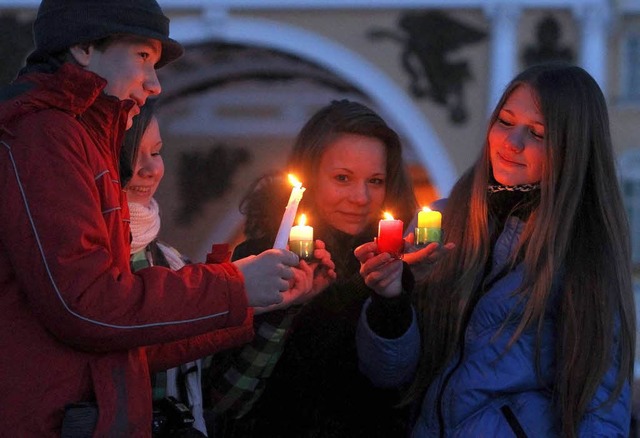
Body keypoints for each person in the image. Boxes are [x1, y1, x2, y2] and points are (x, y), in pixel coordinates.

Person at [0, 1, 301, 436]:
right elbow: (87, 307)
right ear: (84, 47)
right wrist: (234, 285)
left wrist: (250, 301)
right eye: (143, 57)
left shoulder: (79, 138)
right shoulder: (47, 136)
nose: (155, 84)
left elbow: (121, 341)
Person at [355, 62, 635, 437]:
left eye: (537, 133)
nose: (512, 143)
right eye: (504, 122)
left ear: (573, 148)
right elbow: (389, 373)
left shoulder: (580, 250)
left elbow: (600, 403)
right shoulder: (439, 223)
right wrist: (392, 301)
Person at [204, 99, 419, 437]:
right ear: (310, 176)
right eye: (343, 178)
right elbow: (224, 396)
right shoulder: (260, 259)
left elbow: (403, 386)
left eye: (375, 181)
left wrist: (391, 301)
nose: (361, 197)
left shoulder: (400, 265)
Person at [121, 101, 335, 437]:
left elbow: (221, 400)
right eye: (131, 153)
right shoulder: (82, 264)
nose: (149, 169)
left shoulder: (172, 263)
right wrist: (232, 289)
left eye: (157, 152)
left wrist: (276, 310)